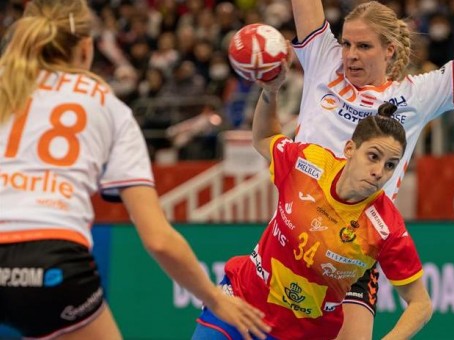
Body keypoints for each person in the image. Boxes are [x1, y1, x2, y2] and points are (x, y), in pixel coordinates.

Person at [0, 1, 270, 339]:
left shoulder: (6, 86)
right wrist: (214, 298)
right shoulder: (106, 105)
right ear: (87, 47)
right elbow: (158, 239)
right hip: (52, 263)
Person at [289, 0, 454, 337]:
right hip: (293, 237)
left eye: (364, 46)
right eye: (346, 43)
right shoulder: (321, 60)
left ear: (390, 51)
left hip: (353, 251)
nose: (350, 54)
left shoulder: (415, 96)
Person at [192, 64, 432, 339]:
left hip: (301, 334)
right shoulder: (308, 164)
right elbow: (264, 138)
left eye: (391, 165)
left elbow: (421, 304)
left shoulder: (385, 227)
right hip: (241, 305)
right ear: (350, 149)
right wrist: (270, 91)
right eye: (373, 157)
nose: (380, 172)